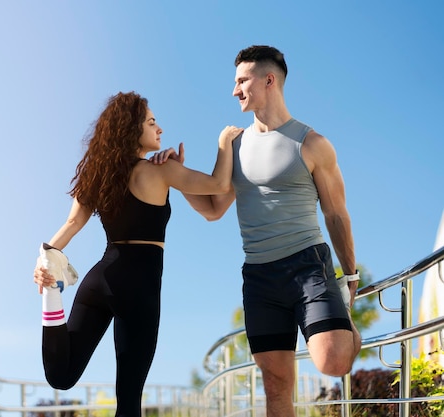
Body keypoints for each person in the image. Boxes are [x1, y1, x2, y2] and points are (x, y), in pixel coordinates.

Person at [151, 45, 362, 417]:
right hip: (259, 276)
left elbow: (336, 213)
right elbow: (215, 209)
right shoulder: (236, 144)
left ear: (269, 80)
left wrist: (351, 273)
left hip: (307, 265)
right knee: (276, 386)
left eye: (242, 81)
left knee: (332, 361)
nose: (235, 90)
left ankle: (345, 328)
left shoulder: (311, 143)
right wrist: (176, 177)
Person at [32, 91, 242, 417]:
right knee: (128, 400)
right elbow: (218, 185)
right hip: (138, 288)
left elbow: (73, 223)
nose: (159, 129)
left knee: (61, 375)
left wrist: (44, 258)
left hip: (101, 277)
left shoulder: (100, 176)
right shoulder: (159, 171)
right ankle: (52, 292)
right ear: (133, 129)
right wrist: (224, 142)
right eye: (152, 122)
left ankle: (51, 300)